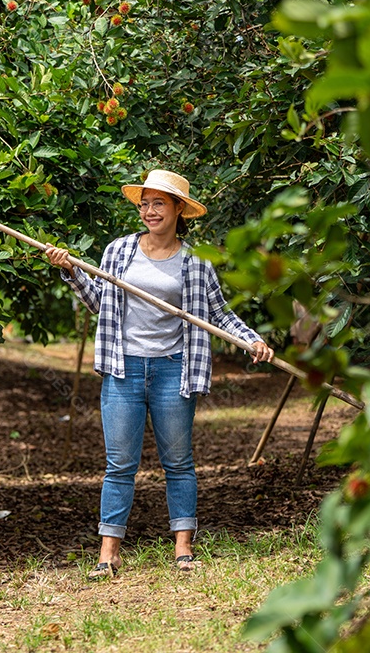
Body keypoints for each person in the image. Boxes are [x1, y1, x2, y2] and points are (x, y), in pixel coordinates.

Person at [45, 169, 273, 577]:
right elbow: (99, 303)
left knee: (179, 462)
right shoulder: (118, 252)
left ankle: (183, 548)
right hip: (123, 368)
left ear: (179, 209)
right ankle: (108, 552)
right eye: (144, 203)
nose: (149, 211)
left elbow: (219, 314)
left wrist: (252, 340)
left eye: (158, 203)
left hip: (173, 369)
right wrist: (72, 271)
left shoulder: (196, 261)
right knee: (119, 464)